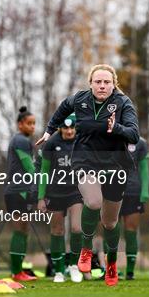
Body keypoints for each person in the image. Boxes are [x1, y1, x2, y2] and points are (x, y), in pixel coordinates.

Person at [36, 64, 140, 286]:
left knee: (110, 223)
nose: (102, 86)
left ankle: (111, 264)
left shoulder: (123, 103)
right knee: (93, 202)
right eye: (98, 82)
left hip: (115, 164)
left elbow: (134, 135)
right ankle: (85, 249)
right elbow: (62, 110)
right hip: (85, 160)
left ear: (114, 84)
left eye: (107, 82)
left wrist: (117, 128)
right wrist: (48, 130)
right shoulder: (79, 99)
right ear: (91, 83)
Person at [37, 113, 83, 283]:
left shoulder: (81, 141)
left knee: (77, 228)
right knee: (57, 231)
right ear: (60, 128)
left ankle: (74, 267)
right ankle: (58, 271)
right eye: (66, 128)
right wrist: (41, 197)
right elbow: (44, 171)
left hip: (75, 191)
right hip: (55, 192)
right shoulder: (51, 143)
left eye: (72, 128)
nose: (69, 131)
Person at [5, 106, 38, 282]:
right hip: (18, 191)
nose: (32, 127)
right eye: (29, 123)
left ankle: (18, 271)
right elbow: (29, 167)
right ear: (20, 125)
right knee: (20, 231)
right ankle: (16, 272)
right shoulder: (20, 140)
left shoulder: (23, 140)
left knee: (23, 231)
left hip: (20, 191)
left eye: (34, 123)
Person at [118, 136, 149, 280]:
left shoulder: (140, 142)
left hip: (133, 191)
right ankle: (110, 268)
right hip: (111, 189)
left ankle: (130, 271)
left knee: (130, 231)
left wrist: (145, 190)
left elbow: (144, 167)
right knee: (110, 229)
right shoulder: (108, 138)